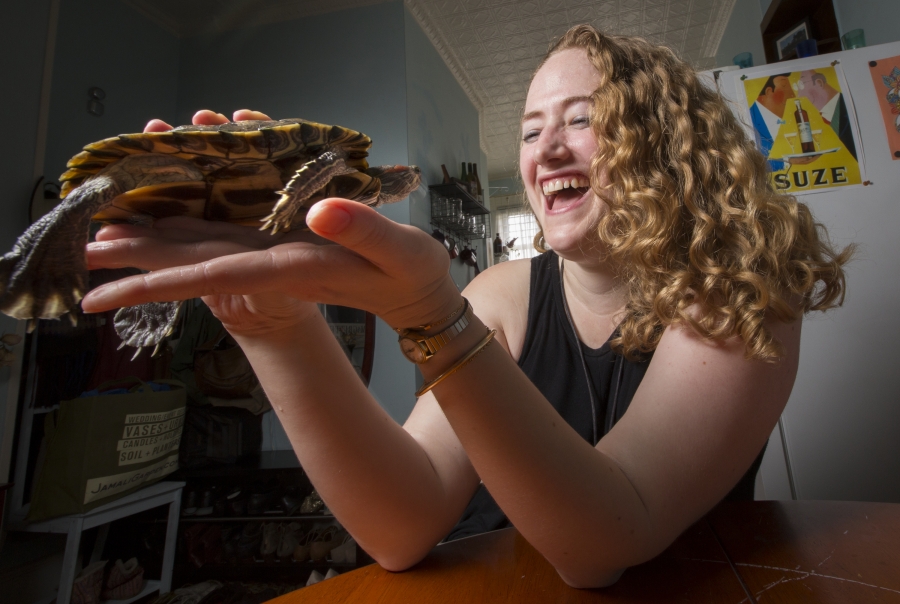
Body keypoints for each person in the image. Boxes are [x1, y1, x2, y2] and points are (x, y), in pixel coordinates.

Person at [82, 25, 851, 588]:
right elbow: (400, 524)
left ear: (664, 140)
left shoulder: (743, 290)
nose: (545, 148)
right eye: (529, 129)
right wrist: (274, 328)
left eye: (581, 118)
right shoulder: (504, 296)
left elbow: (603, 544)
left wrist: (431, 317)